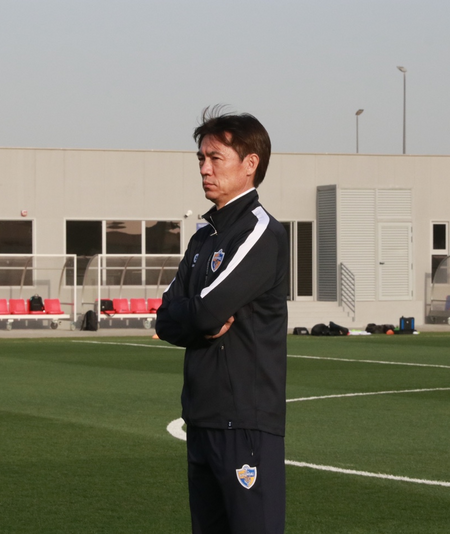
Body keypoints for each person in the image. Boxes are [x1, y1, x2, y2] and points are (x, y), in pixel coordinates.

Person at [155, 107, 289, 534]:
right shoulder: (203, 236)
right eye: (201, 158)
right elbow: (164, 319)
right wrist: (196, 318)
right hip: (201, 416)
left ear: (250, 165)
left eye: (216, 158)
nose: (204, 168)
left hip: (244, 419)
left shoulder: (260, 232)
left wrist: (196, 315)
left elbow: (207, 310)